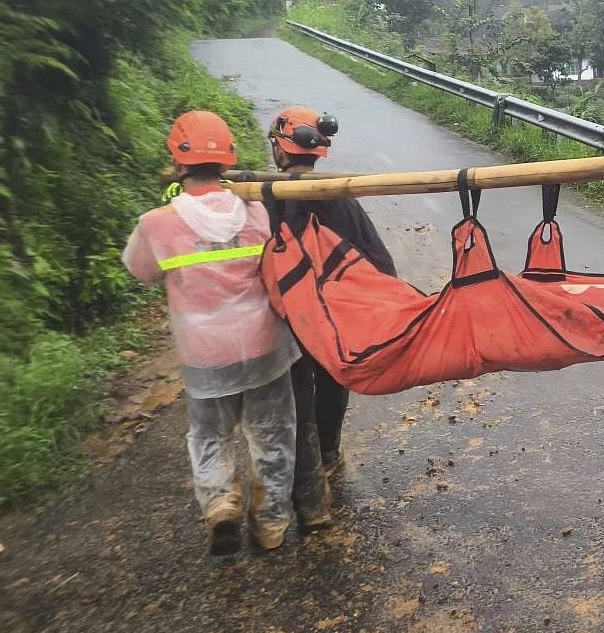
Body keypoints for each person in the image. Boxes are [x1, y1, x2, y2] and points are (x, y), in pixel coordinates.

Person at [123, 111, 299, 555]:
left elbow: (140, 271)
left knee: (209, 434)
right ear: (227, 161)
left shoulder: (156, 223)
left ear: (178, 164)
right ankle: (272, 523)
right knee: (272, 433)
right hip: (264, 345)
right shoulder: (256, 211)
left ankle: (221, 502)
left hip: (204, 356)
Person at [265, 107, 398, 528]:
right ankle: (327, 453)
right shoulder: (340, 196)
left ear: (279, 149)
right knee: (333, 378)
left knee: (297, 387)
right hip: (335, 315)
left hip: (292, 314)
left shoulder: (265, 197)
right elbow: (378, 259)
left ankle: (306, 480)